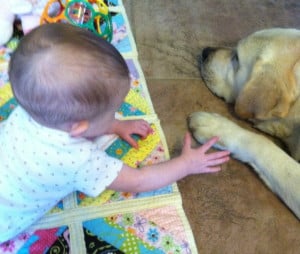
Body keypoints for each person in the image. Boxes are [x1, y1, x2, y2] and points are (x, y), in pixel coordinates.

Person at [0, 23, 230, 243]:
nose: (117, 114)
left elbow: (78, 125)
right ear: (79, 127)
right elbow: (139, 181)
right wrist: (187, 164)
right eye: (112, 113)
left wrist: (114, 125)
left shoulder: (29, 109)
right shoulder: (81, 160)